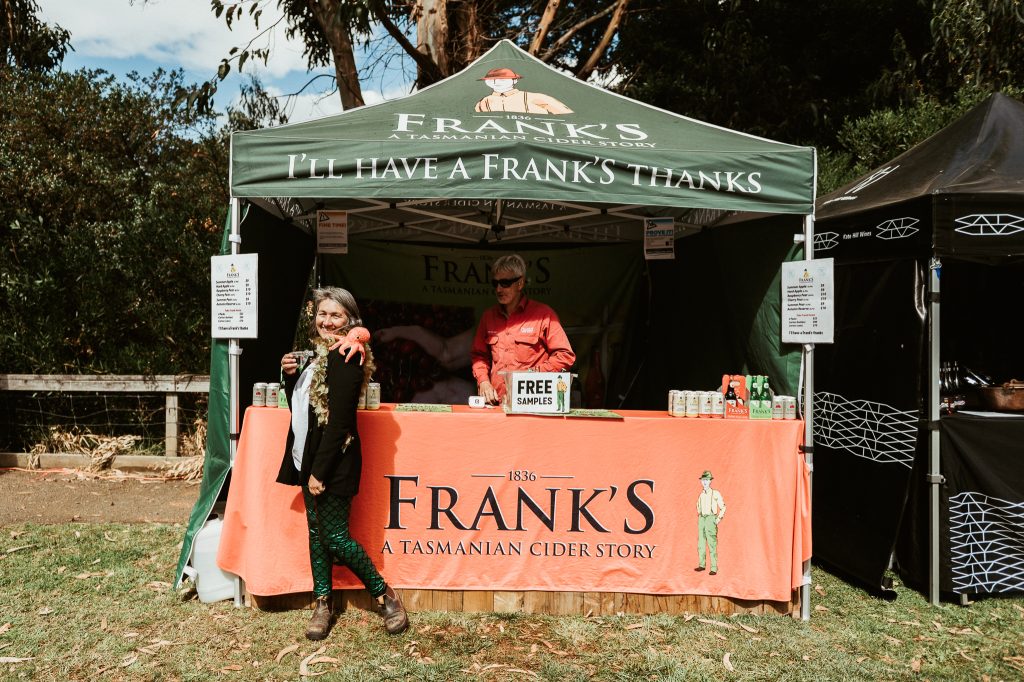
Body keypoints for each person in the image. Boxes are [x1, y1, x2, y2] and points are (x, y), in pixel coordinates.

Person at [277, 287, 409, 640]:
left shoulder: (347, 353)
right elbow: (302, 407)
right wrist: (291, 377)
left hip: (332, 461)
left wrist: (320, 471)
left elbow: (339, 422)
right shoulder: (316, 355)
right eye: (323, 314)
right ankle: (324, 604)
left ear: (349, 319)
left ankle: (386, 596)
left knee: (334, 536)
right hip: (307, 457)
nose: (327, 321)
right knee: (316, 535)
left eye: (336, 315)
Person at [471, 254, 576, 405]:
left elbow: (565, 356)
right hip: (496, 404)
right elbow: (479, 356)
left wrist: (532, 376)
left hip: (532, 405)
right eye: (495, 283)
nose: (499, 289)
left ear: (520, 284)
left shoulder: (543, 315)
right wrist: (483, 381)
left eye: (505, 283)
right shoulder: (488, 317)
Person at [474, 67, 573, 115]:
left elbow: (567, 115)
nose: (496, 83)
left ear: (515, 80)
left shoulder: (534, 97)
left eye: (502, 79)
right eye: (491, 80)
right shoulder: (484, 101)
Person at [695, 470, 726, 576]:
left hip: (710, 519)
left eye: (707, 480)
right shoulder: (701, 495)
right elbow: (698, 506)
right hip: (702, 519)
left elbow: (723, 507)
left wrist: (717, 519)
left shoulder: (715, 493)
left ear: (710, 481)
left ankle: (713, 567)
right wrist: (700, 514)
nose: (705, 482)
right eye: (703, 480)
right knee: (701, 544)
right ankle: (702, 565)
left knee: (712, 544)